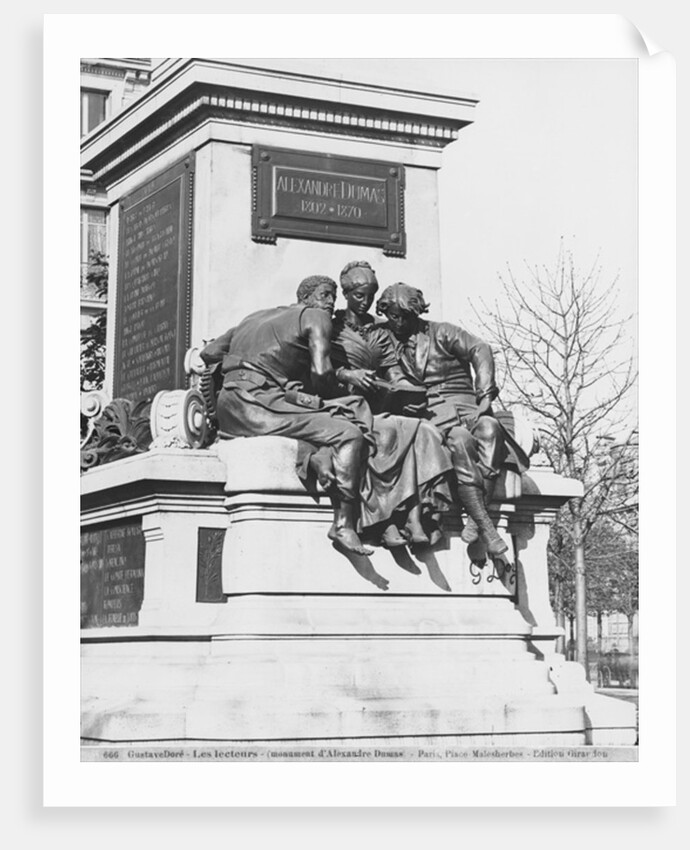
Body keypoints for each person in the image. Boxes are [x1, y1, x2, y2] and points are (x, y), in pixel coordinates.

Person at [199, 275, 374, 556]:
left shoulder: (254, 316)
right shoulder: (315, 317)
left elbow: (208, 353)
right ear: (306, 298)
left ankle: (315, 457)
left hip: (228, 407)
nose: (331, 303)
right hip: (260, 404)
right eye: (325, 295)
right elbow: (321, 374)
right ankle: (343, 524)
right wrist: (331, 389)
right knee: (348, 432)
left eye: (333, 297)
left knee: (312, 424)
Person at [376, 282, 530, 557]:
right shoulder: (384, 339)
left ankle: (475, 518)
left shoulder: (442, 331)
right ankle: (485, 524)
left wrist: (484, 396)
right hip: (429, 413)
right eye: (392, 316)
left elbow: (480, 349)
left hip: (465, 404)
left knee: (490, 429)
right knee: (459, 441)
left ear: (416, 312)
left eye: (403, 316)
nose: (397, 322)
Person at [326, 261, 454, 548]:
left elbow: (393, 372)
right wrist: (347, 374)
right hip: (343, 405)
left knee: (425, 431)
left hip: (378, 405)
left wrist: (407, 389)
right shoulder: (331, 328)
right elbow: (317, 371)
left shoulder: (380, 333)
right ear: (346, 294)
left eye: (370, 295)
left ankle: (414, 517)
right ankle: (383, 523)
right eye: (359, 296)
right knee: (383, 434)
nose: (366, 302)